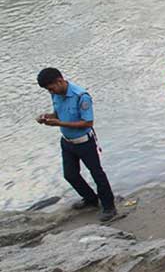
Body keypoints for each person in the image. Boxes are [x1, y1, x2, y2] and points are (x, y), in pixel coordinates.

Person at [36, 68, 117, 222]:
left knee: (97, 174)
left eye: (51, 88)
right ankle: (90, 199)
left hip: (84, 142)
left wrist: (59, 123)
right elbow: (58, 113)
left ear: (59, 81)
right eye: (48, 90)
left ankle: (109, 207)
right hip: (67, 142)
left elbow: (87, 122)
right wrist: (47, 117)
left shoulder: (81, 96)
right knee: (70, 175)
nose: (50, 92)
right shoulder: (56, 94)